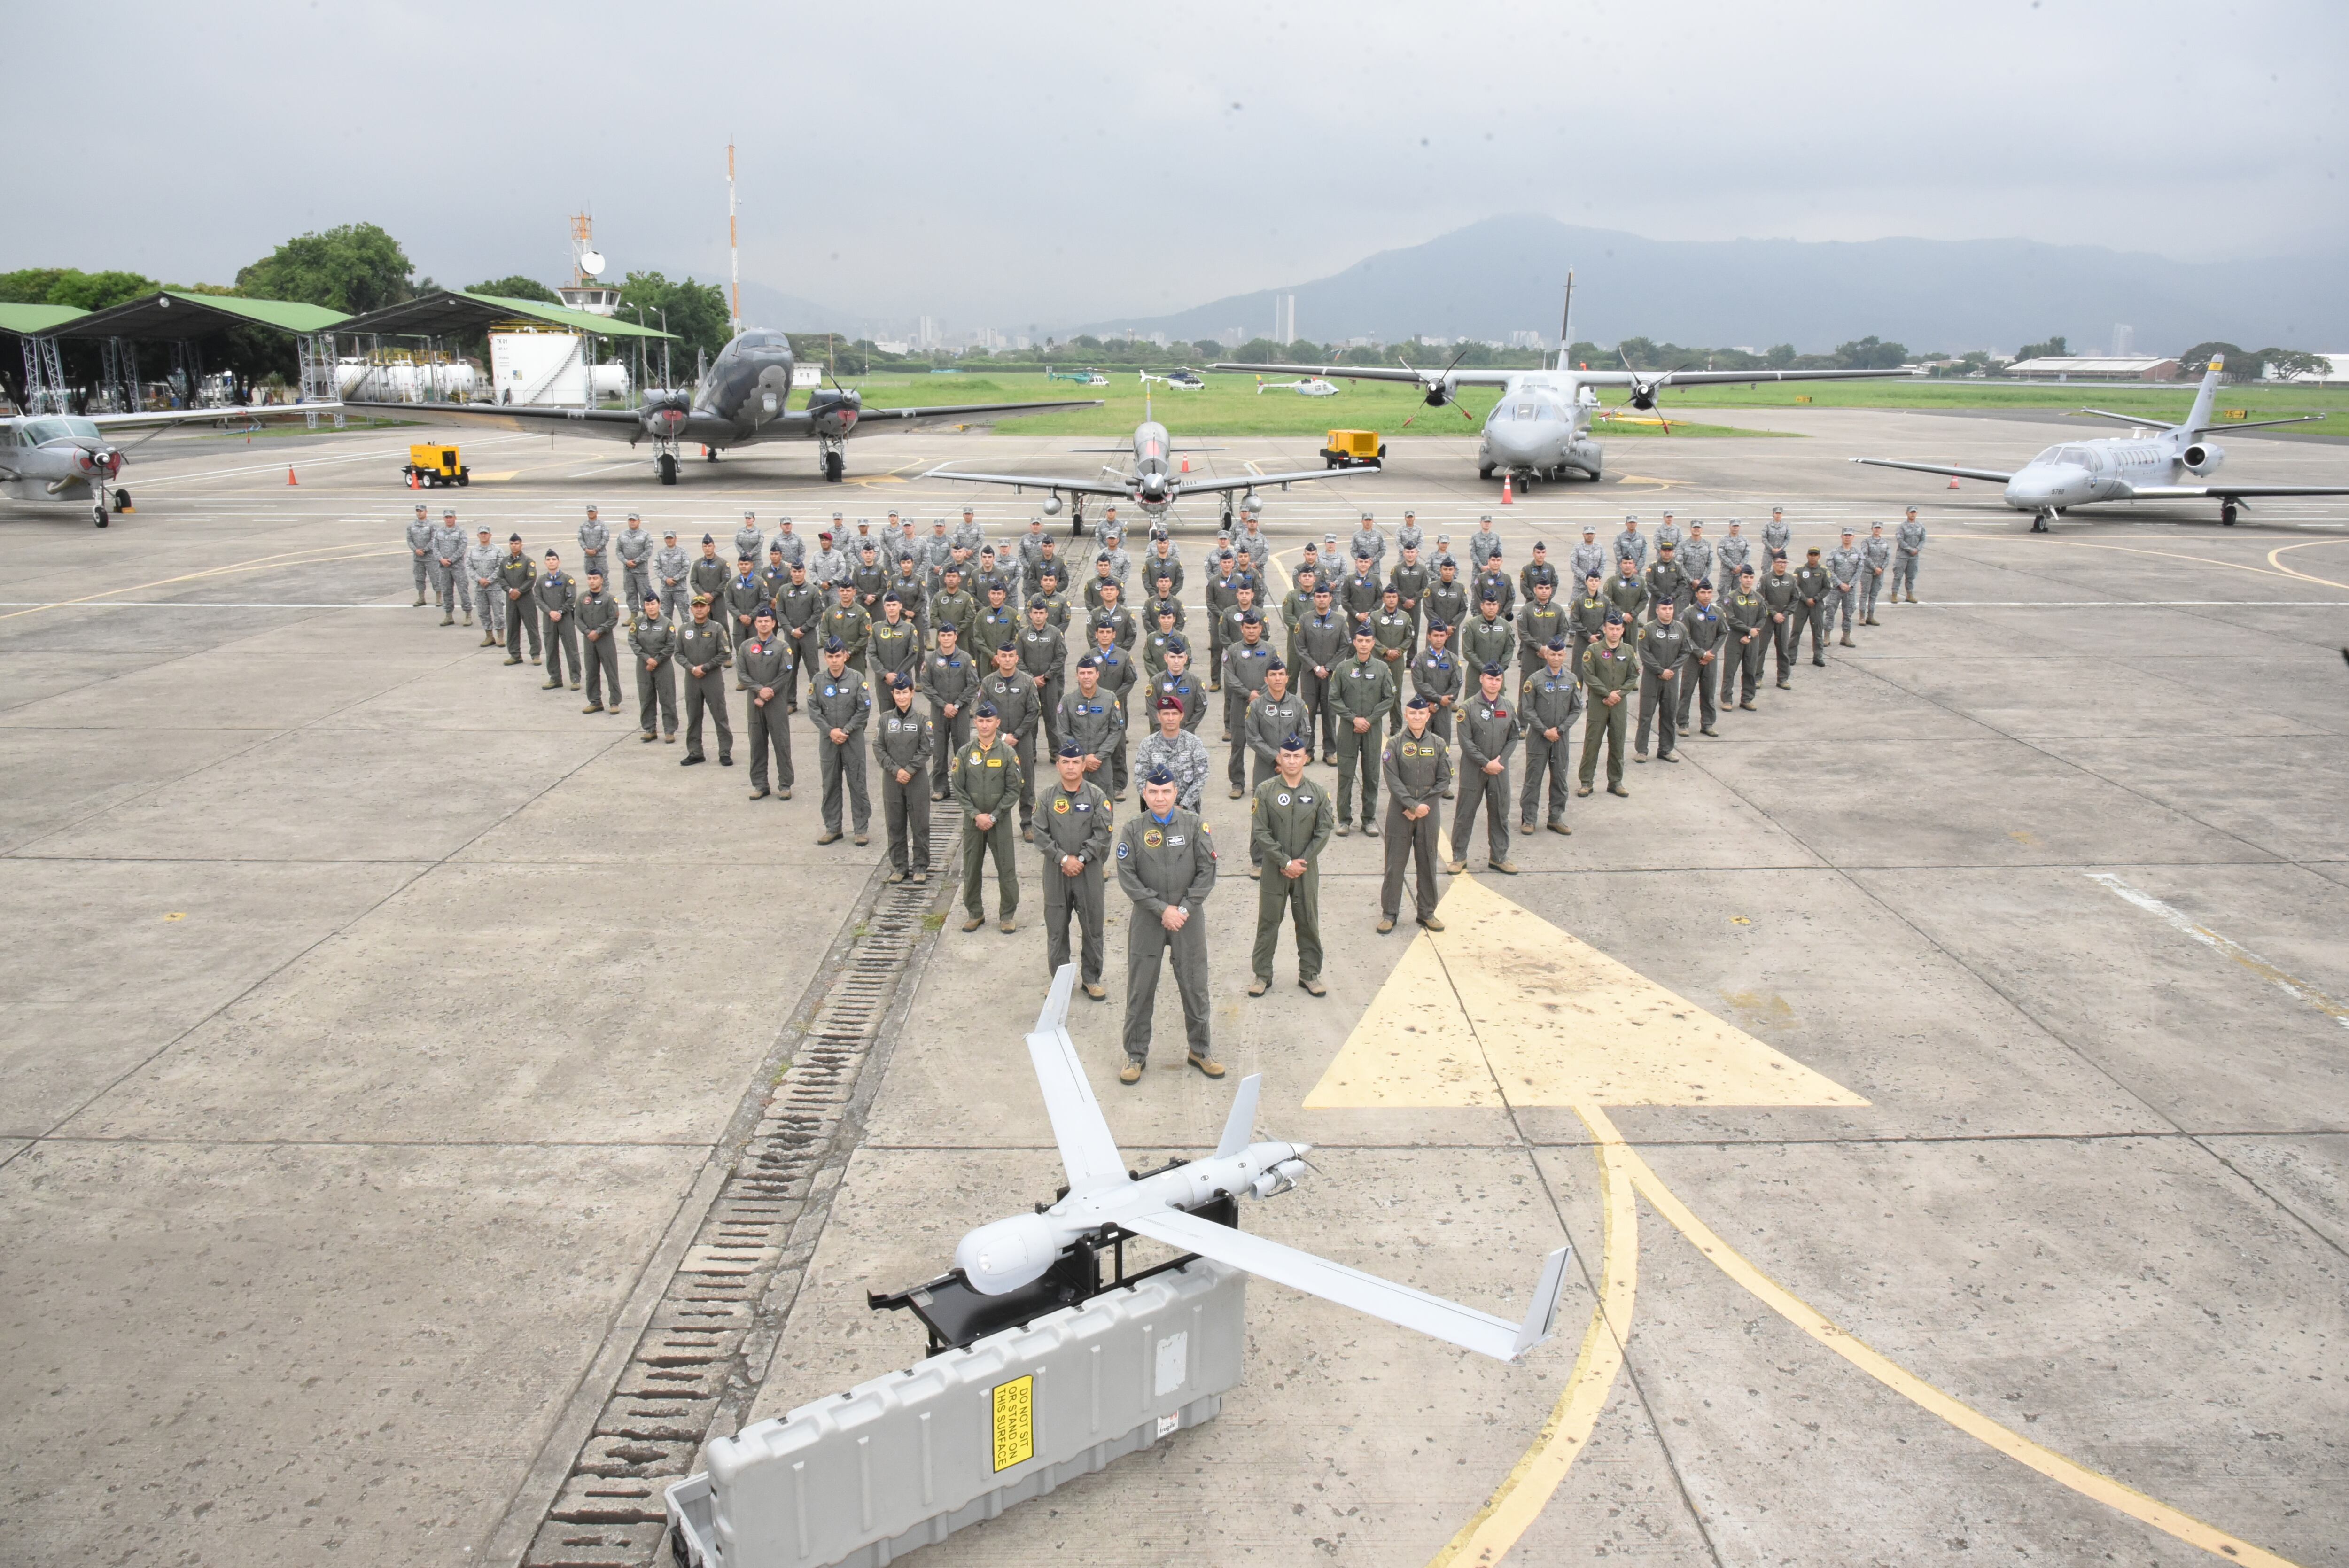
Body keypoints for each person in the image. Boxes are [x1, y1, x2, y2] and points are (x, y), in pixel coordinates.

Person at [1115, 767, 1222, 1085]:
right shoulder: (1133, 829)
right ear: (1144, 794)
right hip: (1148, 919)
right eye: (1153, 792)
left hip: (1188, 920)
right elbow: (1127, 876)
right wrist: (1162, 909)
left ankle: (1200, 1050)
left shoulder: (1194, 825)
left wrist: (1184, 909)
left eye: (1166, 792)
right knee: (1140, 987)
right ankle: (1135, 1055)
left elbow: (1208, 872)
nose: (1159, 798)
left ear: (1176, 793)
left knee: (1195, 985)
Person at [1250, 733, 1335, 997]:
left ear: (1306, 759)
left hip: (1306, 871)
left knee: (1308, 921)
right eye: (1287, 756)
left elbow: (1324, 831)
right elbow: (1261, 831)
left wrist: (1302, 862)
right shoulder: (1265, 791)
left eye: (1297, 756)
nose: (1292, 761)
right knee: (1268, 922)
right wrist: (1284, 861)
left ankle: (1309, 974)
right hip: (1275, 870)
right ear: (1279, 758)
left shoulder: (1319, 793)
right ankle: (1262, 975)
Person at [1039, 740, 1113, 999]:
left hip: (1089, 871)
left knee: (1092, 926)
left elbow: (1103, 833)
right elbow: (1040, 833)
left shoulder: (1096, 796)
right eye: (1065, 762)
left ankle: (1091, 979)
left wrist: (1080, 858)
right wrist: (1062, 859)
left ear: (1084, 765)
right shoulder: (1047, 797)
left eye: (1076, 762)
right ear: (1058, 764)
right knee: (1057, 927)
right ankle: (1060, 983)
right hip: (1055, 872)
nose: (1071, 767)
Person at [1378, 698, 1451, 934]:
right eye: (1413, 714)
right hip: (1400, 811)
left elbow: (1444, 780)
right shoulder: (1395, 744)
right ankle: (1390, 913)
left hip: (1428, 812)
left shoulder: (1439, 744)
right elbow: (1392, 779)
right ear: (1406, 716)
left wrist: (1423, 806)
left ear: (1428, 716)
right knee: (1394, 864)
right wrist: (1411, 805)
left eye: (1421, 714)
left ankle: (1427, 912)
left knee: (1428, 862)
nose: (1417, 717)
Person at [952, 702, 1023, 933]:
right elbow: (958, 788)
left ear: (997, 723)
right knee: (972, 868)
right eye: (981, 721)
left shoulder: (1008, 754)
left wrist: (993, 816)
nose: (985, 725)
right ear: (976, 723)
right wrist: (975, 815)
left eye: (989, 721)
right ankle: (975, 913)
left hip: (999, 821)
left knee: (1006, 869)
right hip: (973, 822)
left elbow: (1014, 790)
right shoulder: (964, 753)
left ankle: (1007, 915)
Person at [1449, 663, 1519, 874]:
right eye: (1490, 679)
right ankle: (1459, 857)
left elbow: (1514, 737)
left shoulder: (1508, 707)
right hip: (1474, 769)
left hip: (1499, 769)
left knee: (1500, 813)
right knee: (1465, 813)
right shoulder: (1468, 708)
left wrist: (1500, 762)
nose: (1494, 683)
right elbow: (1465, 741)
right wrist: (1485, 763)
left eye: (1498, 680)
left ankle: (1499, 857)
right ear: (1481, 679)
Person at [1330, 624, 1395, 836]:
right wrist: (1353, 719)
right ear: (1355, 643)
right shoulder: (1343, 668)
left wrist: (1370, 720)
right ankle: (1344, 820)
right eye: (1360, 641)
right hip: (1349, 730)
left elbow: (1389, 698)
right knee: (1346, 775)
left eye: (1368, 641)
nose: (1364, 645)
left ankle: (1369, 819)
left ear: (1373, 643)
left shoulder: (1382, 669)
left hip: (1373, 730)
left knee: (1371, 775)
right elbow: (1334, 698)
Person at [809, 638, 872, 845]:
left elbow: (864, 709)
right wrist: (830, 731)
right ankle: (833, 828)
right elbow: (814, 709)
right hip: (828, 740)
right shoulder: (818, 680)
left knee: (857, 783)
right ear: (825, 657)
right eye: (830, 657)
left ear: (845, 656)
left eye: (838, 656)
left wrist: (846, 730)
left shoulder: (857, 679)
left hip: (852, 739)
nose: (835, 661)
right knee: (830, 784)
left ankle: (861, 829)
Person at [874, 674, 934, 884]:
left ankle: (920, 866)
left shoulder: (922, 720)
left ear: (912, 694)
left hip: (916, 779)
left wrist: (909, 769)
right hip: (892, 780)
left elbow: (927, 749)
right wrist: (895, 770)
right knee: (895, 824)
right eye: (898, 693)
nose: (901, 697)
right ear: (893, 694)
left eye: (905, 692)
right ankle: (899, 866)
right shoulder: (884, 720)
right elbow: (878, 747)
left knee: (920, 823)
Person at [980, 639, 1044, 836]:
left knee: (1025, 781)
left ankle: (1028, 824)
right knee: (994, 781)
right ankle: (996, 821)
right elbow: (982, 712)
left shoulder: (1027, 681)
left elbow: (1034, 711)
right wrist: (1001, 736)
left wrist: (1016, 735)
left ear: (1017, 659)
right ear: (997, 659)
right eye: (1003, 656)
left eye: (1011, 656)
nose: (1007, 660)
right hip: (995, 741)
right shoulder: (988, 682)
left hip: (1022, 739)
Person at [1518, 638, 1579, 836]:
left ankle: (1555, 818)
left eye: (1560, 654)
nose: (1556, 658)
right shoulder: (1534, 680)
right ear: (1546, 655)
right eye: (1553, 654)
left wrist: (1560, 730)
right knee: (1533, 778)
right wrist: (1545, 731)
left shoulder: (1571, 680)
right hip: (1538, 737)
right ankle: (1529, 819)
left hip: (1560, 738)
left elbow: (1576, 709)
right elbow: (1527, 710)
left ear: (1565, 655)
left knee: (1560, 778)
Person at [738, 606, 795, 800]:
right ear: (756, 624)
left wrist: (767, 692)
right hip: (754, 702)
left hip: (776, 702)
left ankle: (785, 784)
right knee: (757, 744)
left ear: (773, 624)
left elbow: (786, 672)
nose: (763, 624)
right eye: (760, 621)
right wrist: (758, 689)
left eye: (767, 621)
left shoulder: (782, 646)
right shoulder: (746, 646)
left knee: (781, 743)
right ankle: (760, 784)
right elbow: (742, 674)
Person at [1577, 614, 1635, 798]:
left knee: (1618, 741)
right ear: (1605, 629)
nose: (1615, 632)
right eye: (1611, 629)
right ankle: (1586, 782)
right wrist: (1606, 693)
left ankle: (1616, 781)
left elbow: (1633, 676)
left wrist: (1620, 693)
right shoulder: (1593, 650)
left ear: (1623, 631)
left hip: (1619, 703)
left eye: (1618, 629)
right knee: (1592, 742)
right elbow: (1589, 676)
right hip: (1598, 702)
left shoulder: (1628, 650)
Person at [1058, 654, 1126, 803]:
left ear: (1097, 675)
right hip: (1075, 763)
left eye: (1090, 673)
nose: (1086, 677)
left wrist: (1098, 757)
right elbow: (1063, 732)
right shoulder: (1068, 701)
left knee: (1104, 805)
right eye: (1082, 673)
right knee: (1076, 805)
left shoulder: (1110, 698)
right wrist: (1082, 758)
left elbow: (1116, 730)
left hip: (1101, 763)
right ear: (1077, 676)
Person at [677, 594, 732, 767]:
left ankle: (724, 752)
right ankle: (695, 752)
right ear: (692, 609)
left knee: (719, 715)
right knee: (693, 716)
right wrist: (692, 668)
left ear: (708, 608)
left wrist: (706, 667)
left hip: (712, 678)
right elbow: (678, 654)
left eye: (702, 606)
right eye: (696, 606)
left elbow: (725, 653)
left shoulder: (717, 628)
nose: (699, 609)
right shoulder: (684, 629)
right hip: (692, 678)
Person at [1294, 586, 1348, 763]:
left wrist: (1329, 667)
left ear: (1331, 598)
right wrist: (1316, 668)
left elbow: (1344, 647)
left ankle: (1330, 752)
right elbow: (1300, 647)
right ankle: (1308, 751)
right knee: (1307, 714)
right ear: (1314, 599)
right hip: (1310, 675)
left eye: (1325, 596)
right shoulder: (1305, 620)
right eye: (1318, 596)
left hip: (1331, 675)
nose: (1322, 599)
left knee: (1330, 713)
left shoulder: (1340, 621)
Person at [1134, 693, 1213, 814]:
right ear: (1159, 716)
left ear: (1182, 716)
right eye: (1166, 714)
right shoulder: (1148, 744)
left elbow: (1201, 777)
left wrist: (1184, 805)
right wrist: (1158, 804)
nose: (1170, 718)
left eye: (1175, 714)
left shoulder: (1193, 743)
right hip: (1156, 809)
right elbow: (1141, 779)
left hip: (1188, 810)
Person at [1634, 598, 1687, 763]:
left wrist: (1672, 670)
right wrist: (1660, 670)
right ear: (1657, 611)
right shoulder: (1648, 629)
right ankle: (1642, 750)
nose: (1668, 612)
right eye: (1664, 609)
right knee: (1646, 715)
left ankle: (1666, 749)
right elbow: (1645, 654)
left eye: (1670, 609)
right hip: (1652, 678)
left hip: (1671, 678)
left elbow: (1685, 652)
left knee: (1669, 714)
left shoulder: (1680, 629)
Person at [1677, 580, 1726, 737]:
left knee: (1709, 692)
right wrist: (1701, 654)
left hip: (1711, 660)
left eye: (1709, 593)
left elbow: (1723, 633)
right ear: (1697, 594)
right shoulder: (1688, 613)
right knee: (1687, 692)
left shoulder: (1718, 612)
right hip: (1693, 660)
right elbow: (1686, 637)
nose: (1706, 596)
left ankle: (1708, 724)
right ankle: (1683, 723)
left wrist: (1711, 653)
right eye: (1703, 593)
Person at [1018, 598, 1066, 753]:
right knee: (1030, 719)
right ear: (1030, 615)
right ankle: (1030, 752)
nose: (1038, 616)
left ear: (1047, 615)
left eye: (1041, 613)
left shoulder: (1055, 633)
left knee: (1052, 718)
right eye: (1035, 613)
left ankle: (1056, 752)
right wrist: (1031, 678)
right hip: (1028, 684)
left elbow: (1061, 657)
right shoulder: (1022, 634)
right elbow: (1017, 659)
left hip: (1050, 683)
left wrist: (1047, 676)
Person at [630, 591, 677, 744]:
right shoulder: (637, 622)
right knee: (646, 698)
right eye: (648, 605)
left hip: (663, 665)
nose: (651, 607)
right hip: (644, 665)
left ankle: (669, 731)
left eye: (653, 604)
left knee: (667, 697)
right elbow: (633, 641)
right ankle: (650, 729)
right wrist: (647, 659)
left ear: (659, 605)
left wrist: (656, 661)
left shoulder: (667, 623)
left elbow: (671, 645)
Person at [776, 562, 824, 711]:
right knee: (790, 669)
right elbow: (780, 613)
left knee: (813, 670)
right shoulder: (784, 590)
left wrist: (803, 629)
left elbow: (818, 613)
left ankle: (817, 702)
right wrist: (791, 630)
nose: (797, 574)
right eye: (795, 571)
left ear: (804, 572)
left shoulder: (813, 590)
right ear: (791, 572)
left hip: (808, 635)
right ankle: (791, 702)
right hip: (790, 636)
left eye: (800, 571)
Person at [577, 569, 623, 714]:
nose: (592, 581)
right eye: (590, 578)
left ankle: (615, 702)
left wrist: (599, 631)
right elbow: (577, 618)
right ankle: (595, 701)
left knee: (611, 670)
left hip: (605, 639)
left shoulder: (609, 599)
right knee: (591, 671)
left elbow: (613, 618)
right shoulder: (583, 598)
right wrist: (587, 632)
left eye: (595, 578)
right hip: (589, 639)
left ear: (602, 580)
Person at [1724, 567, 1767, 711]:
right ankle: (1727, 700)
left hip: (1752, 639)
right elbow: (1731, 619)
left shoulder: (1758, 598)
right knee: (1730, 671)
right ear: (1740, 579)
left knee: (1750, 670)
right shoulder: (1731, 597)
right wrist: (1748, 630)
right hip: (1735, 638)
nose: (1748, 580)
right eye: (1746, 577)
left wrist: (1750, 635)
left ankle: (1747, 699)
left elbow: (1762, 618)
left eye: (1751, 578)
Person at [536, 551, 580, 690]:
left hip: (565, 618)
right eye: (548, 559)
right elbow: (538, 598)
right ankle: (555, 678)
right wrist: (550, 612)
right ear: (545, 562)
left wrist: (560, 612)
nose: (551, 562)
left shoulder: (568, 579)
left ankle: (575, 678)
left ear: (559, 562)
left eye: (554, 559)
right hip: (549, 619)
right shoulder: (541, 581)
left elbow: (572, 599)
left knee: (571, 649)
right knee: (551, 649)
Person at [1760, 552, 1801, 687]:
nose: (1782, 565)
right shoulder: (1765, 579)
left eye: (1785, 563)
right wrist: (1773, 613)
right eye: (1779, 563)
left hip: (1783, 618)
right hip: (1767, 618)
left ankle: (1783, 678)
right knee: (1761, 649)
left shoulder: (1791, 579)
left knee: (1783, 649)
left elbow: (1796, 598)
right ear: (1773, 563)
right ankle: (1756, 677)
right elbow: (1761, 599)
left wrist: (1785, 613)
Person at [867, 591, 922, 689]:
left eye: (894, 605)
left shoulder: (909, 628)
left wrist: (897, 675)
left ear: (900, 606)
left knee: (904, 705)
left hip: (904, 679)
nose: (891, 608)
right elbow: (872, 654)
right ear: (884, 608)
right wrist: (885, 675)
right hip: (883, 681)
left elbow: (913, 654)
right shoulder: (877, 628)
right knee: (884, 705)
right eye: (888, 605)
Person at [466, 525, 504, 646]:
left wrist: (490, 580)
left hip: (495, 587)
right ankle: (489, 636)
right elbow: (469, 567)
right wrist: (479, 580)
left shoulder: (497, 550)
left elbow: (501, 567)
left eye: (486, 533)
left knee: (498, 613)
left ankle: (501, 637)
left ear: (490, 535)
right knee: (483, 612)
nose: (484, 535)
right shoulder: (473, 551)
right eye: (481, 534)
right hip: (480, 588)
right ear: (478, 536)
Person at [1794, 545, 1831, 666]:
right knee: (1796, 631)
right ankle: (1791, 656)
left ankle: (1818, 657)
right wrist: (1805, 599)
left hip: (1817, 605)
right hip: (1802, 605)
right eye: (1811, 555)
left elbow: (1827, 588)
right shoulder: (1799, 570)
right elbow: (1795, 587)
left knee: (1818, 632)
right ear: (1807, 556)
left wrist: (1816, 599)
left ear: (1819, 557)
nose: (1813, 557)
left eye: (1815, 555)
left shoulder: (1824, 571)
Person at [1825, 528, 1863, 646]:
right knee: (1830, 612)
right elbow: (1829, 571)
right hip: (1836, 588)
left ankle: (1846, 637)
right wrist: (1840, 584)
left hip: (1850, 590)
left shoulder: (1858, 553)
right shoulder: (1834, 553)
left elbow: (1859, 571)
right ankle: (1826, 637)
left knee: (1848, 613)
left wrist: (1850, 585)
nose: (1848, 537)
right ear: (1841, 537)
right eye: (1846, 535)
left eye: (1850, 535)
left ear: (1853, 537)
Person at [431, 508, 465, 624]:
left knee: (463, 590)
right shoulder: (439, 532)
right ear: (444, 518)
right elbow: (435, 547)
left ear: (455, 518)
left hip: (457, 566)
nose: (449, 519)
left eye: (451, 517)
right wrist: (441, 559)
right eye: (447, 517)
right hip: (443, 567)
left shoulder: (461, 532)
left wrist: (451, 560)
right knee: (446, 591)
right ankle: (449, 615)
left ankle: (468, 614)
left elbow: (462, 548)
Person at [616, 512, 653, 609]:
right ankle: (633, 614)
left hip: (641, 571)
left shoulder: (645, 535)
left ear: (639, 522)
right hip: (628, 570)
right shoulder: (622, 535)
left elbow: (648, 551)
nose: (632, 522)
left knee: (645, 592)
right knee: (630, 592)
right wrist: (626, 562)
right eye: (630, 520)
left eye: (634, 520)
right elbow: (618, 551)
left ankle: (646, 614)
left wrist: (636, 561)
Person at [653, 528, 691, 625]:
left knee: (685, 615)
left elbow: (686, 568)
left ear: (675, 539)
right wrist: (666, 579)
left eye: (671, 538)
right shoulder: (660, 553)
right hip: (666, 590)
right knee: (666, 616)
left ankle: (686, 636)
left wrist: (675, 579)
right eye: (667, 539)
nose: (669, 540)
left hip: (680, 589)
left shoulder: (682, 552)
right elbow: (657, 568)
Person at [1859, 520, 1892, 625]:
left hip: (1879, 573)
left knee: (1874, 595)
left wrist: (1881, 568)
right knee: (1865, 594)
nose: (1877, 530)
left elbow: (1887, 557)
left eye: (1879, 528)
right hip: (1868, 572)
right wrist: (1875, 568)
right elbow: (1865, 556)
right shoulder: (1866, 542)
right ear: (1872, 529)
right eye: (1875, 528)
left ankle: (1871, 617)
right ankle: (1862, 617)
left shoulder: (1885, 543)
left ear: (1882, 530)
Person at [689, 533, 730, 610]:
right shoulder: (698, 564)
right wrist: (703, 594)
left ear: (714, 547)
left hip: (718, 600)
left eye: (710, 546)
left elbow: (726, 581)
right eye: (705, 546)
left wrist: (713, 595)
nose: (707, 548)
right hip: (702, 600)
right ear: (702, 548)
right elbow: (693, 582)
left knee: (721, 622)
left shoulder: (722, 563)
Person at [1894, 507, 1926, 602]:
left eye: (1914, 513)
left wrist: (1917, 549)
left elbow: (1923, 539)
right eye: (1911, 512)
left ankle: (1909, 595)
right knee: (1898, 576)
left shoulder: (1920, 526)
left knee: (1911, 576)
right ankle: (1894, 594)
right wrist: (1910, 549)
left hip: (1914, 556)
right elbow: (1900, 540)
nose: (1913, 514)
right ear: (1907, 513)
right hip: (1902, 555)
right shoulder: (1902, 526)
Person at [406, 504, 435, 607]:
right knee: (419, 578)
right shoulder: (412, 526)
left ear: (426, 512)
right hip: (418, 557)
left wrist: (425, 550)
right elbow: (409, 540)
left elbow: (434, 540)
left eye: (421, 511)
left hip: (430, 557)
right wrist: (416, 550)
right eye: (418, 511)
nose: (419, 513)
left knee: (435, 578)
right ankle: (421, 598)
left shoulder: (432, 525)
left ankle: (439, 598)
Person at [579, 505, 611, 588]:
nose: (591, 513)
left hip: (600, 556)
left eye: (593, 512)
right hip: (588, 556)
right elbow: (580, 538)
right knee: (591, 577)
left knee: (603, 577)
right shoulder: (583, 525)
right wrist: (586, 549)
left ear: (597, 513)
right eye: (589, 512)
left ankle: (605, 597)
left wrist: (597, 549)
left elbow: (606, 538)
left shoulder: (602, 525)